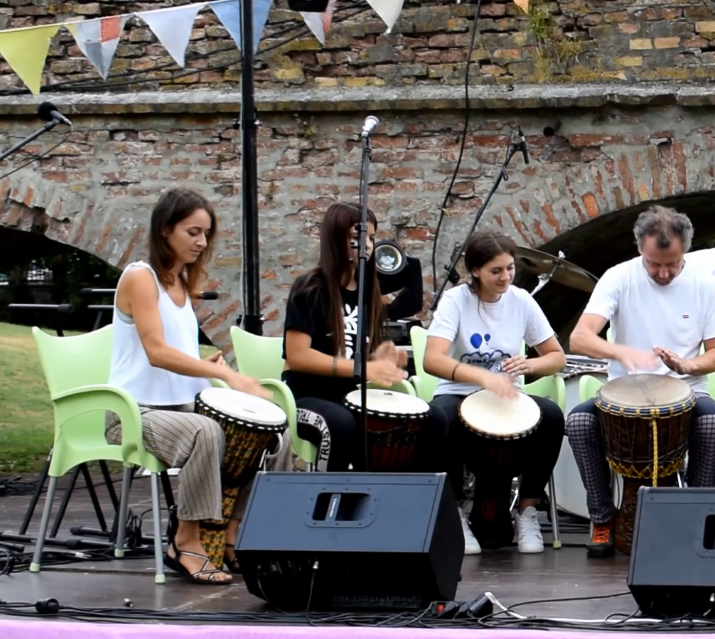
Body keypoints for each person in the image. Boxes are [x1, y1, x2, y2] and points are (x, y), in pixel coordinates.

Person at [105, 188, 292, 585]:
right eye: (193, 232)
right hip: (135, 413)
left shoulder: (181, 284)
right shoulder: (140, 277)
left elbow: (177, 357)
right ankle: (185, 542)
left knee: (273, 434)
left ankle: (233, 534)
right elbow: (156, 352)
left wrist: (207, 370)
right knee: (205, 432)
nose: (202, 242)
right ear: (165, 230)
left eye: (206, 234)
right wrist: (227, 376)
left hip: (183, 407)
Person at [567, 205, 715, 557]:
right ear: (640, 247)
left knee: (714, 425)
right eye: (654, 264)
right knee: (579, 422)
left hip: (687, 392)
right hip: (623, 393)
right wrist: (620, 351)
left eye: (672, 264)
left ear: (685, 250)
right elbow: (579, 338)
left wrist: (687, 365)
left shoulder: (704, 284)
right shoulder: (618, 277)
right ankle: (602, 519)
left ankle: (697, 516)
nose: (663, 273)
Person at [424, 231, 566, 554]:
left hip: (506, 397)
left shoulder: (521, 301)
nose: (505, 277)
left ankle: (527, 511)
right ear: (475, 270)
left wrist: (530, 364)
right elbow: (432, 359)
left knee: (552, 416)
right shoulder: (456, 301)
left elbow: (557, 357)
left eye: (510, 268)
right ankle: (454, 513)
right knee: (440, 418)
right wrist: (483, 378)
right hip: (459, 393)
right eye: (496, 271)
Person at [282, 202, 447, 472]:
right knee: (342, 423)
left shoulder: (368, 293)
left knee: (433, 419)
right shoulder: (309, 288)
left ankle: (412, 494)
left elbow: (359, 355)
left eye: (371, 237)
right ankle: (330, 497)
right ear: (335, 239)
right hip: (306, 398)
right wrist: (365, 367)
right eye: (356, 237)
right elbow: (298, 356)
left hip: (352, 397)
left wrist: (379, 360)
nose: (367, 245)